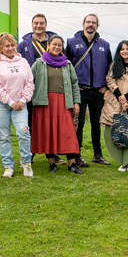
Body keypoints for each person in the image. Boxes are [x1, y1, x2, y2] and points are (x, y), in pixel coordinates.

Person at [31, 35, 84, 174]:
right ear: (48, 45)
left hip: (64, 102)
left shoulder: (67, 64)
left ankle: (72, 164)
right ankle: (52, 164)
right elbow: (28, 81)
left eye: (60, 45)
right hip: (44, 102)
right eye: (54, 44)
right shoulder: (39, 63)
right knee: (47, 132)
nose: (57, 47)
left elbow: (74, 83)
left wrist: (76, 102)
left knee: (68, 132)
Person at [17, 13, 66, 165]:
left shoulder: (53, 42)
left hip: (51, 89)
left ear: (46, 25)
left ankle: (54, 154)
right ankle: (29, 154)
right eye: (36, 23)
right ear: (32, 25)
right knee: (31, 122)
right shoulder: (24, 44)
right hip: (30, 89)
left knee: (51, 123)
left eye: (42, 23)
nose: (39, 25)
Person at [65, 14, 113, 167]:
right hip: (80, 90)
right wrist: (73, 85)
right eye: (88, 22)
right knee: (78, 124)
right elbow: (66, 65)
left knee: (96, 123)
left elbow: (109, 67)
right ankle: (77, 155)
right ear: (83, 24)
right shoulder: (72, 42)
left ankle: (97, 155)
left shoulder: (104, 45)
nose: (90, 24)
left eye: (93, 22)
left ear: (97, 26)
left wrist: (106, 85)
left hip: (98, 91)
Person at [0, 32, 35, 178]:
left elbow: (29, 83)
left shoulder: (23, 62)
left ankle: (26, 163)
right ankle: (8, 166)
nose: (10, 48)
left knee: (24, 132)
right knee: (4, 137)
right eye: (6, 46)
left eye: (12, 45)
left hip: (20, 104)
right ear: (0, 48)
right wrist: (10, 102)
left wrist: (22, 100)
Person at [100, 40, 128, 174]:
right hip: (115, 102)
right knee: (115, 130)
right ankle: (123, 162)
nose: (125, 51)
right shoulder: (114, 66)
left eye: (127, 48)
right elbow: (110, 80)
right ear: (119, 51)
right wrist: (120, 96)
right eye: (122, 49)